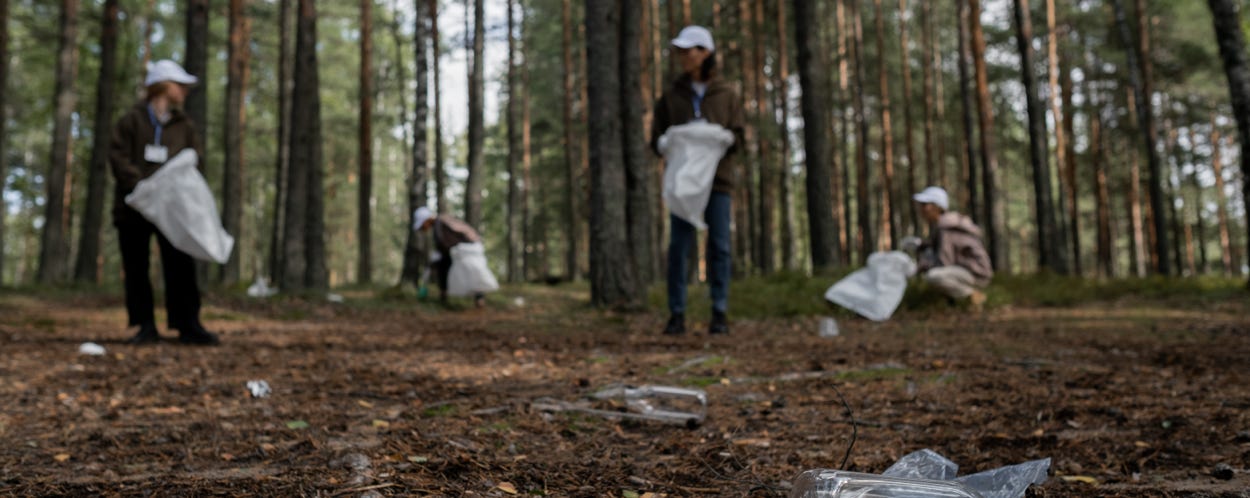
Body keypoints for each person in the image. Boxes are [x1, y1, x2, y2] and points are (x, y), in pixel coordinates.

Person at [109, 60, 219, 345]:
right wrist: (139, 185)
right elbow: (118, 156)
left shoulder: (184, 125)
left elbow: (195, 161)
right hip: (133, 207)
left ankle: (188, 323)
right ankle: (144, 324)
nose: (184, 91)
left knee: (180, 262)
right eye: (179, 85)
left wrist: (172, 189)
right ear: (162, 86)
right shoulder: (132, 120)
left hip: (172, 209)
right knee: (136, 266)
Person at [651, 26, 745, 336]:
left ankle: (719, 312)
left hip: (717, 183)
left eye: (688, 50)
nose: (682, 56)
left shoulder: (727, 94)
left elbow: (740, 137)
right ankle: (676, 314)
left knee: (719, 246)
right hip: (682, 185)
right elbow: (656, 139)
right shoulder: (671, 95)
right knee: (679, 247)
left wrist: (724, 139)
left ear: (705, 53)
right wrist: (665, 143)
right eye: (679, 51)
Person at [911, 186, 992, 309]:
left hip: (976, 273)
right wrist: (921, 246)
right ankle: (954, 304)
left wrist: (921, 267)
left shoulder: (945, 228)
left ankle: (972, 296)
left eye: (925, 205)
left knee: (933, 276)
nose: (921, 209)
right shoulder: (946, 224)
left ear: (936, 207)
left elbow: (944, 262)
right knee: (933, 270)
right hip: (970, 271)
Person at [412, 207, 487, 308]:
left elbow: (459, 234)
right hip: (457, 251)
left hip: (466, 249)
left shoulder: (442, 222)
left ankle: (479, 298)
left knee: (471, 271)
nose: (423, 228)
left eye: (422, 225)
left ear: (427, 220)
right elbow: (444, 245)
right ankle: (444, 296)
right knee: (444, 267)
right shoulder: (438, 225)